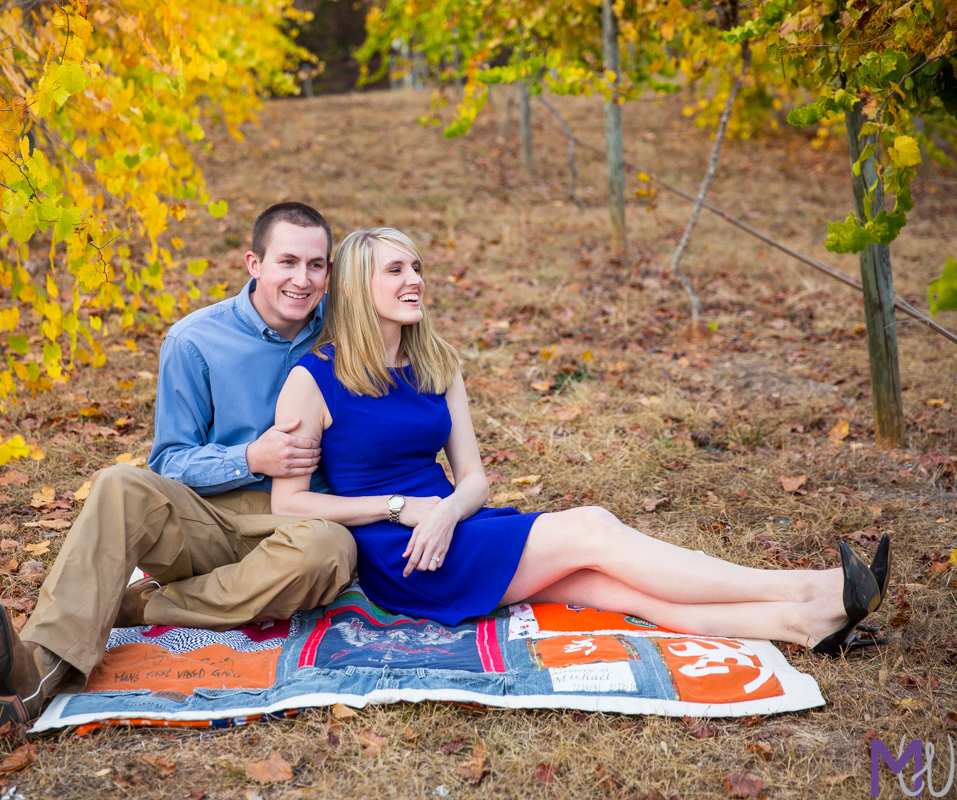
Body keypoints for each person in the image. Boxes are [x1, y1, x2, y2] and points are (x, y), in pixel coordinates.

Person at [270, 227, 890, 656]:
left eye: (418, 268)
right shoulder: (313, 379)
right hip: (403, 555)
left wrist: (449, 510)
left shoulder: (437, 361)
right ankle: (810, 585)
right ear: (353, 287)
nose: (416, 281)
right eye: (397, 270)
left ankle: (799, 622)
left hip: (460, 525)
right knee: (591, 529)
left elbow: (475, 479)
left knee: (611, 587)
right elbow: (288, 505)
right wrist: (404, 511)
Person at [0, 203, 358, 725]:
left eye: (316, 265)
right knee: (120, 483)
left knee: (328, 549)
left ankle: (143, 606)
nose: (301, 280)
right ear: (253, 263)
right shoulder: (195, 340)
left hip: (300, 522)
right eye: (287, 262)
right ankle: (40, 667)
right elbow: (170, 461)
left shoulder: (346, 336)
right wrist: (248, 456)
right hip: (206, 520)